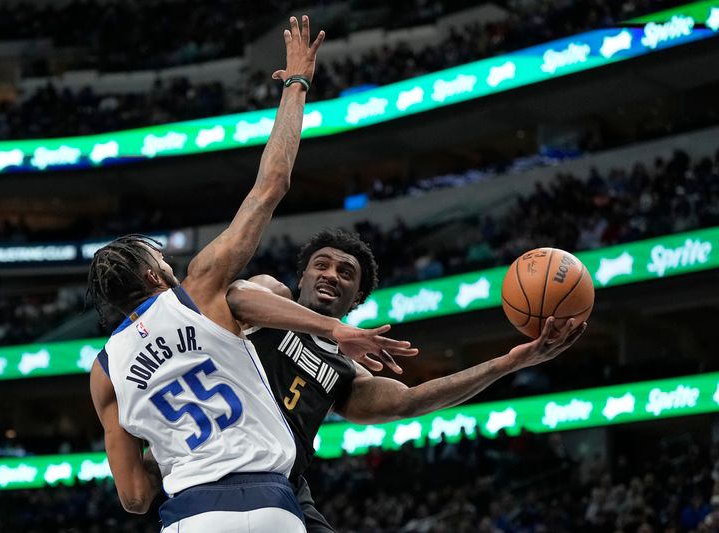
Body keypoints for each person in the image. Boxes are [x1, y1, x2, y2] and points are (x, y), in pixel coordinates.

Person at [86, 18, 417, 532]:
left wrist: (173, 439)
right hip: (269, 502)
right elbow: (271, 184)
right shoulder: (199, 291)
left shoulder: (103, 372)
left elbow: (133, 497)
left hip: (189, 515)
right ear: (155, 276)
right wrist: (296, 85)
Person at [226, 228, 587, 532]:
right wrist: (336, 329)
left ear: (357, 299)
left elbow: (408, 401)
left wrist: (507, 363)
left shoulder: (345, 370)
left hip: (284, 481)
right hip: (222, 457)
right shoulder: (273, 295)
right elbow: (238, 298)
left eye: (346, 273)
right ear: (302, 275)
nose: (332, 274)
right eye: (322, 265)